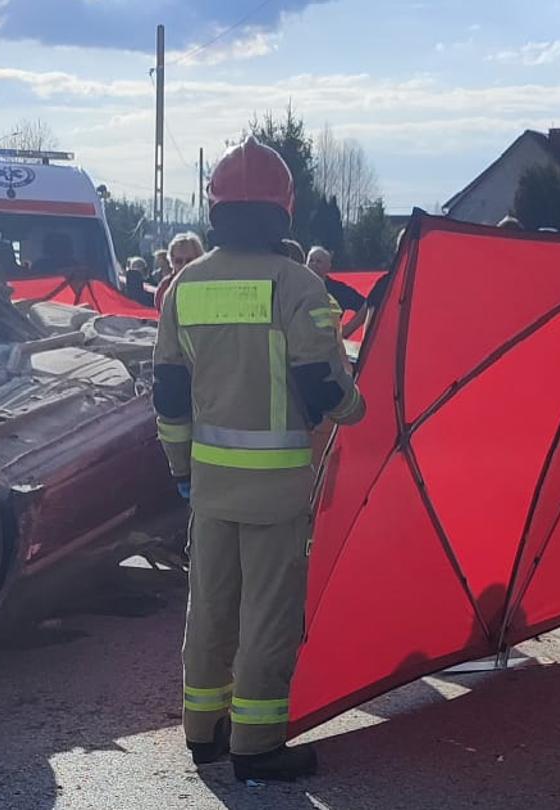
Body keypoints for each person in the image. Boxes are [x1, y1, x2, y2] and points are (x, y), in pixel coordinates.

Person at [156, 138, 365, 782]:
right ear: (283, 210)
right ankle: (257, 746)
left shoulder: (184, 285)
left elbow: (169, 395)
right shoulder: (299, 284)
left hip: (210, 486)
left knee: (210, 609)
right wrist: (358, 407)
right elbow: (322, 383)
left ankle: (204, 732)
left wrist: (181, 468)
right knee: (268, 616)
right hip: (275, 491)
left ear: (216, 209)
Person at [305, 246, 366, 331]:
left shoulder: (338, 289)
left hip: (327, 338)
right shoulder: (297, 286)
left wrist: (346, 331)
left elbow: (365, 307)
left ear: (328, 266)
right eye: (311, 260)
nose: (314, 264)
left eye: (319, 261)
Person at [155, 232, 205, 304]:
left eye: (189, 261)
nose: (184, 265)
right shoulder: (165, 287)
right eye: (178, 261)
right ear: (171, 261)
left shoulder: (208, 283)